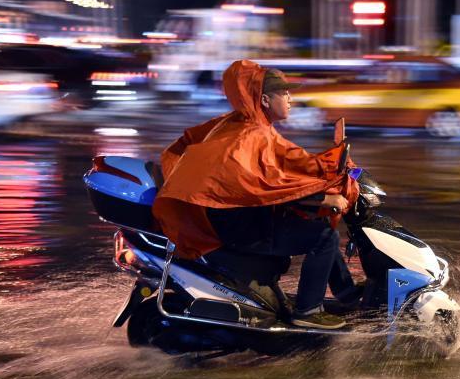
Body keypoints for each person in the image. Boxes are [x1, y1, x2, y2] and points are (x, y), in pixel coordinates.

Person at [152, 60, 359, 330]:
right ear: (264, 99)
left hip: (244, 219)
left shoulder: (250, 125)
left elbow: (290, 162)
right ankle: (308, 311)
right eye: (284, 93)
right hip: (242, 227)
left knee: (318, 223)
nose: (290, 99)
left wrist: (331, 169)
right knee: (324, 237)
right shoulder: (250, 135)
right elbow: (262, 184)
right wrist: (323, 198)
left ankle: (347, 294)